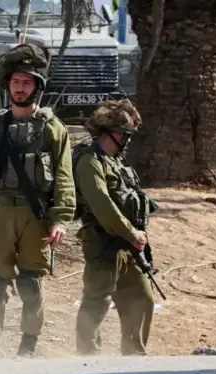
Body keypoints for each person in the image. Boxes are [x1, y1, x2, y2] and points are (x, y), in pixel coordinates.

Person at [0, 43, 76, 359]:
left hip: (35, 217)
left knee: (31, 286)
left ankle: (28, 346)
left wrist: (61, 218)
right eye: (15, 81)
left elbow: (64, 177)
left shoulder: (53, 129)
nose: (20, 88)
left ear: (37, 86)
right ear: (7, 85)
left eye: (27, 82)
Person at [73, 100, 157, 356]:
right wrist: (132, 233)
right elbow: (103, 205)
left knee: (142, 298)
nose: (128, 140)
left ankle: (133, 355)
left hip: (129, 246)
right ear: (115, 134)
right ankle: (88, 357)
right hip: (104, 244)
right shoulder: (90, 161)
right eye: (126, 134)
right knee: (96, 301)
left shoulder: (117, 162)